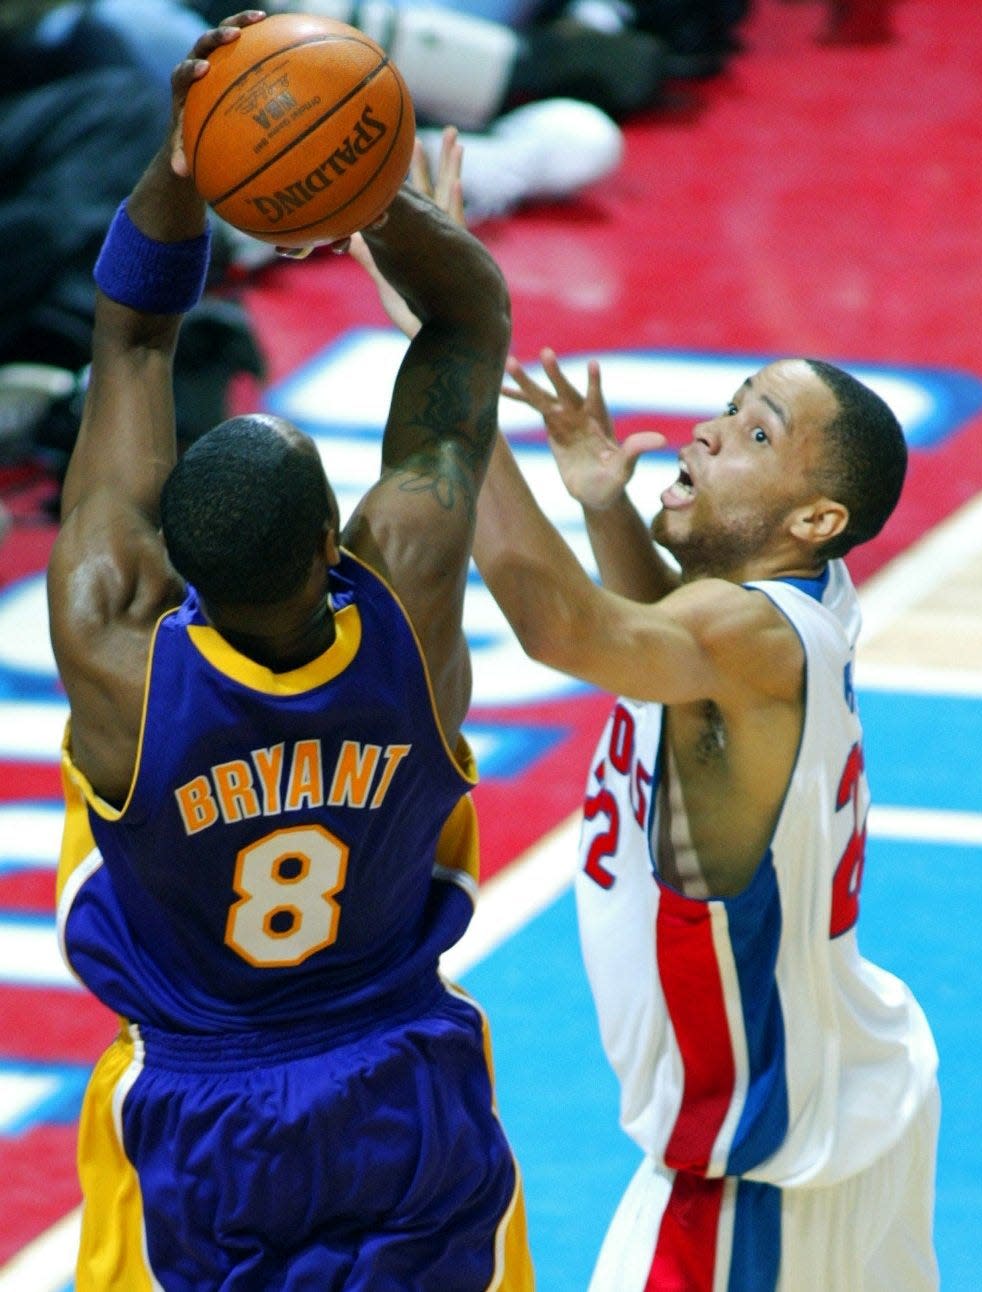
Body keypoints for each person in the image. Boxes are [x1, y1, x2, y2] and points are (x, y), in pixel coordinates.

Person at [46, 11, 533, 1288]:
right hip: (403, 1079)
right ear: (339, 539)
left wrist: (185, 161)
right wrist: (367, 187)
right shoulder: (408, 610)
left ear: (173, 575)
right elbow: (468, 323)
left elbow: (133, 337)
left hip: (212, 1120)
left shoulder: (120, 659)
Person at [472, 350, 940, 1288]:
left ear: (816, 519)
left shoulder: (753, 638)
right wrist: (607, 504)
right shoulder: (803, 599)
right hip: (842, 1103)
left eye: (757, 433)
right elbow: (673, 650)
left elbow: (559, 626)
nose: (709, 431)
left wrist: (456, 376)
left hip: (754, 1172)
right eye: (730, 409)